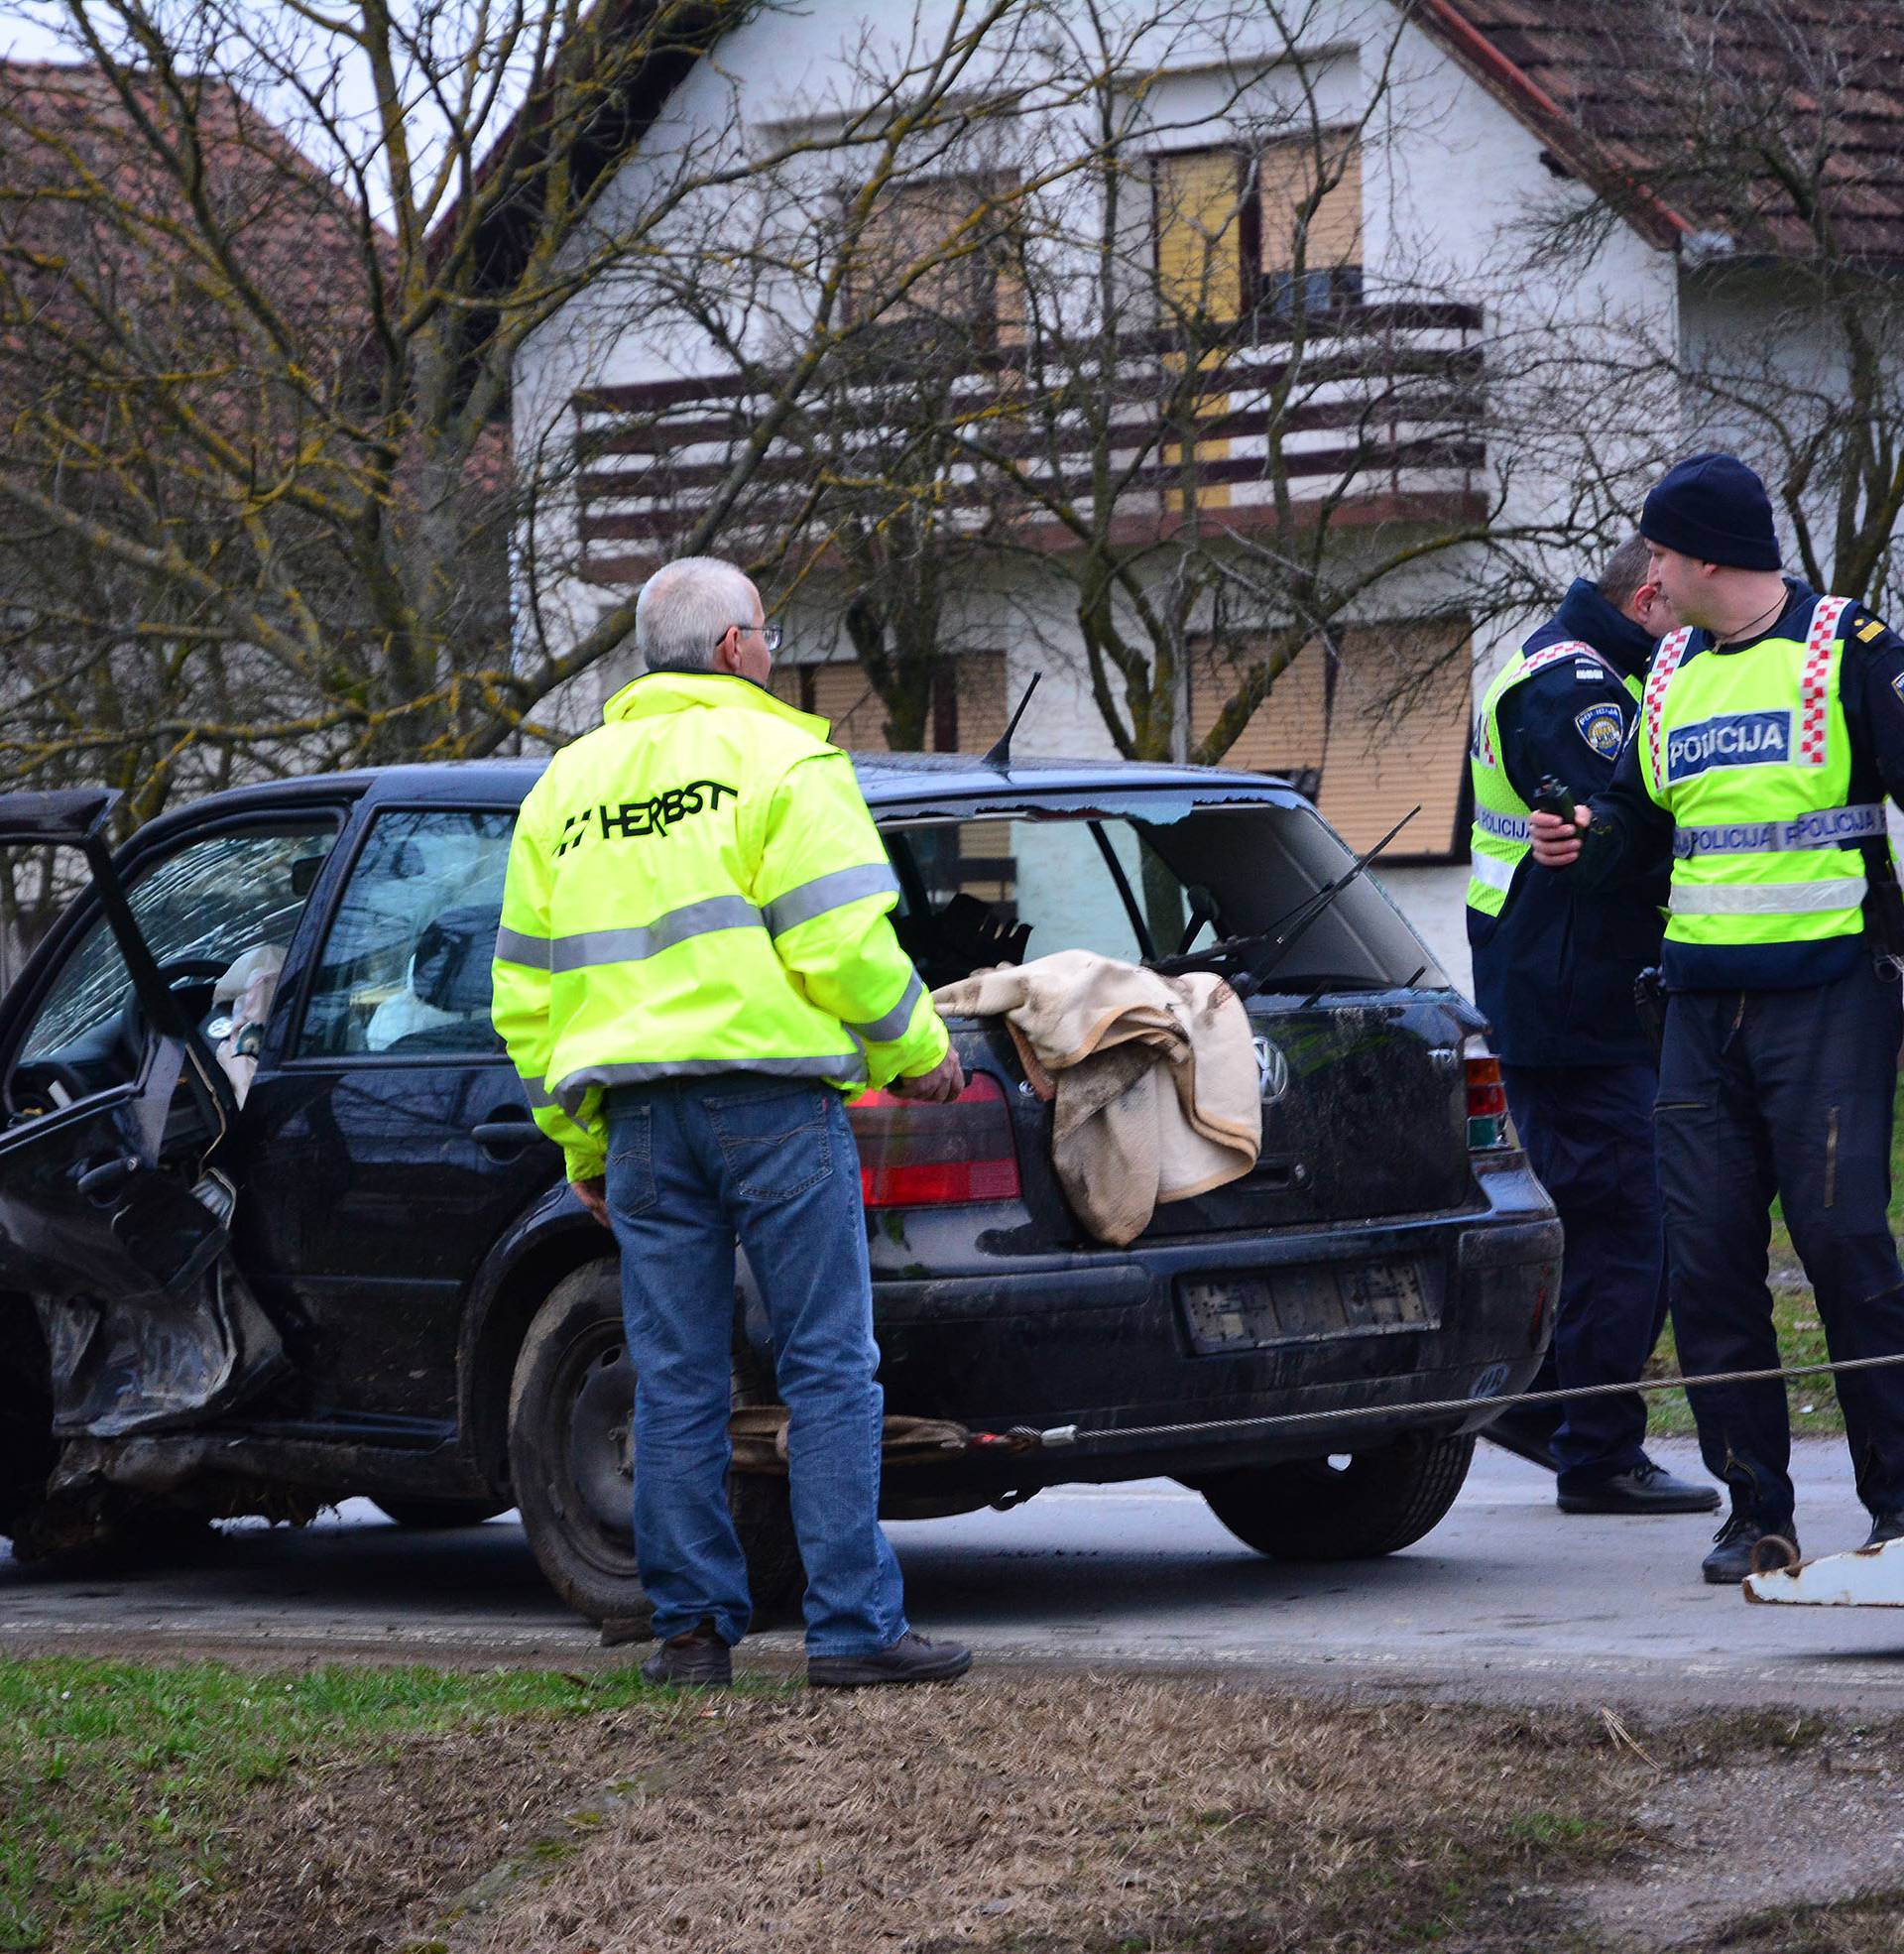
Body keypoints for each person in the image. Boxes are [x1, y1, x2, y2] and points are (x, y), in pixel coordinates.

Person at [492, 554, 973, 1684]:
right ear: (730, 648)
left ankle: (691, 1634)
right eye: (763, 628)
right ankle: (854, 1630)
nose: (769, 645)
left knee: (677, 1379)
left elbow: (524, 994)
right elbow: (842, 946)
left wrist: (582, 1143)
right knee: (826, 1368)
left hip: (644, 1124)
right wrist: (922, 1055)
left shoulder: (564, 788)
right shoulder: (784, 757)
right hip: (771, 1107)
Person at [1531, 452, 1904, 1582]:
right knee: (1707, 1264)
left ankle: (1897, 1508)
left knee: (1845, 1249)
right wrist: (1584, 842)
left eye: (1657, 550)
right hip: (1698, 1009)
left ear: (1703, 556)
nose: (1646, 572)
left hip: (1830, 998)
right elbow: (1645, 834)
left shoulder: (1852, 649)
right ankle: (1759, 1513)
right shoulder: (1665, 673)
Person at [1467, 538, 1719, 1518]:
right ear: (1650, 596)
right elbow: (1621, 834)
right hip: (1576, 999)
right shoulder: (1580, 688)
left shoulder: (1566, 662)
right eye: (1686, 614)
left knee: (1582, 1217)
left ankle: (1543, 1407)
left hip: (1555, 989)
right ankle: (1600, 1449)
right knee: (1629, 1225)